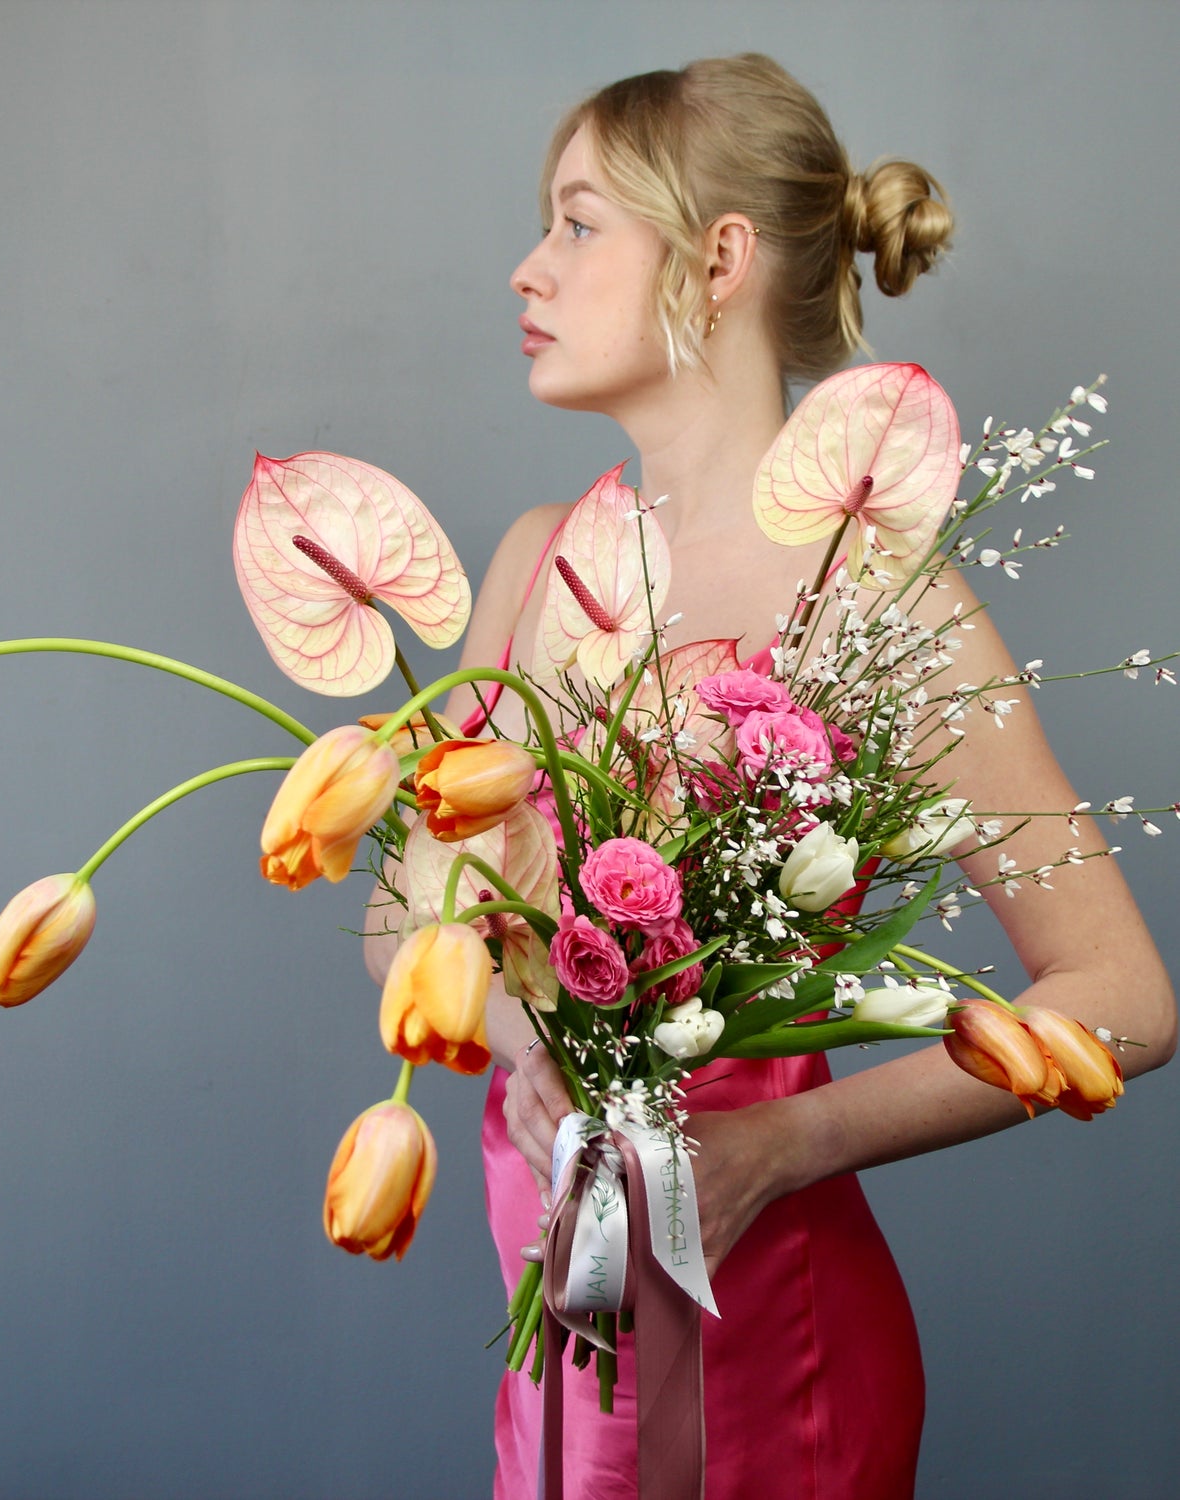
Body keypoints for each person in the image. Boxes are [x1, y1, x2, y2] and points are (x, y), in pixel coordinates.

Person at [370, 54, 1176, 1499]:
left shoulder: (881, 607)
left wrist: (787, 1143)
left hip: (777, 1356)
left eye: (575, 223)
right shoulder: (534, 558)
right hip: (555, 1325)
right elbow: (402, 918)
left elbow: (1121, 1001)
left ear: (716, 257)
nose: (523, 269)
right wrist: (527, 1038)